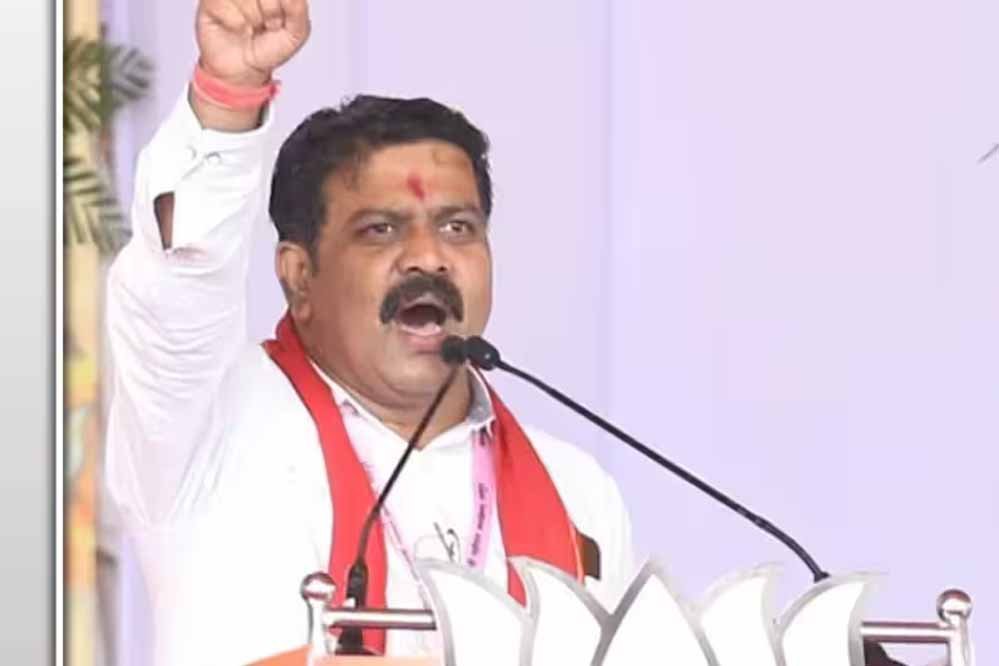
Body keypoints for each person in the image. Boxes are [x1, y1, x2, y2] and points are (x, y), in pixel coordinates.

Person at [104, 0, 635, 663]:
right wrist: (228, 95)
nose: (429, 258)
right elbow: (179, 282)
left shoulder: (576, 492)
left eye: (458, 227)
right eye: (380, 230)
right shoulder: (203, 428)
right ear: (299, 276)